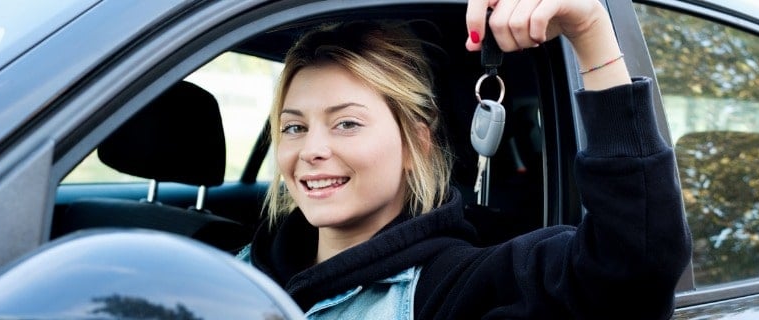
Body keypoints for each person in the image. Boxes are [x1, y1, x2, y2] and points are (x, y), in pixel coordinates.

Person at [237, 0, 692, 318]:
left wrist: (589, 29)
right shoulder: (243, 264)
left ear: (417, 143)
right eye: (294, 126)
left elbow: (633, 270)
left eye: (346, 124)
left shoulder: (452, 289)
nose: (312, 149)